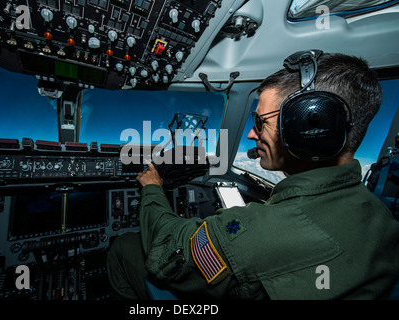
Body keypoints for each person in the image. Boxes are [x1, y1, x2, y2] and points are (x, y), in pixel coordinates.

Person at [107, 51, 399, 300]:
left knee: (124, 246)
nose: (250, 134)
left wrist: (153, 187)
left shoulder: (263, 231)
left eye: (260, 122)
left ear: (310, 127)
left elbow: (168, 251)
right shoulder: (379, 215)